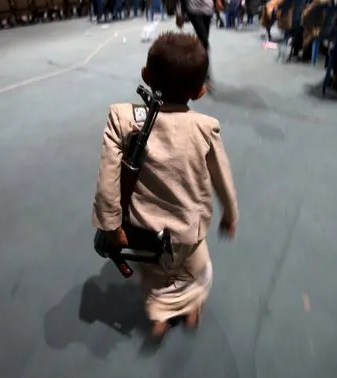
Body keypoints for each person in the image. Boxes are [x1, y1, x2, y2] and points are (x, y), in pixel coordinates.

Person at [92, 32, 238, 340]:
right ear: (200, 91)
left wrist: (110, 225)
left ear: (145, 76)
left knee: (155, 276)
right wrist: (230, 213)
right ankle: (190, 308)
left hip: (142, 230)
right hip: (188, 231)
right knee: (197, 271)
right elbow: (222, 177)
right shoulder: (205, 127)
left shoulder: (121, 118)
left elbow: (108, 178)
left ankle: (159, 316)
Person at [171, 0, 225, 87]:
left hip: (208, 7)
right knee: (204, 42)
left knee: (202, 43)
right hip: (193, 7)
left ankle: (192, 64)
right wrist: (179, 12)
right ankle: (205, 75)